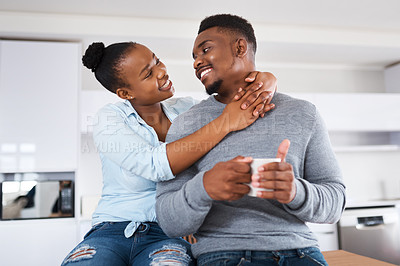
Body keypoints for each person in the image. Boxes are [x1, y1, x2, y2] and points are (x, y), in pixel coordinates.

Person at [61, 40, 278, 266]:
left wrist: (268, 82)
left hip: (170, 234)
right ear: (125, 93)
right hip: (112, 231)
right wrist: (225, 122)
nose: (162, 71)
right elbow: (154, 165)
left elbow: (239, 105)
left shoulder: (188, 109)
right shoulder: (109, 118)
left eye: (157, 61)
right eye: (148, 74)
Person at [156, 14, 346, 266]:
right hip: (223, 254)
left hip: (299, 252)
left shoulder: (303, 113)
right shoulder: (186, 123)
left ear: (240, 47)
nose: (196, 62)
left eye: (205, 49)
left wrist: (295, 191)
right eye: (194, 57)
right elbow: (168, 220)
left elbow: (335, 202)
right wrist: (204, 187)